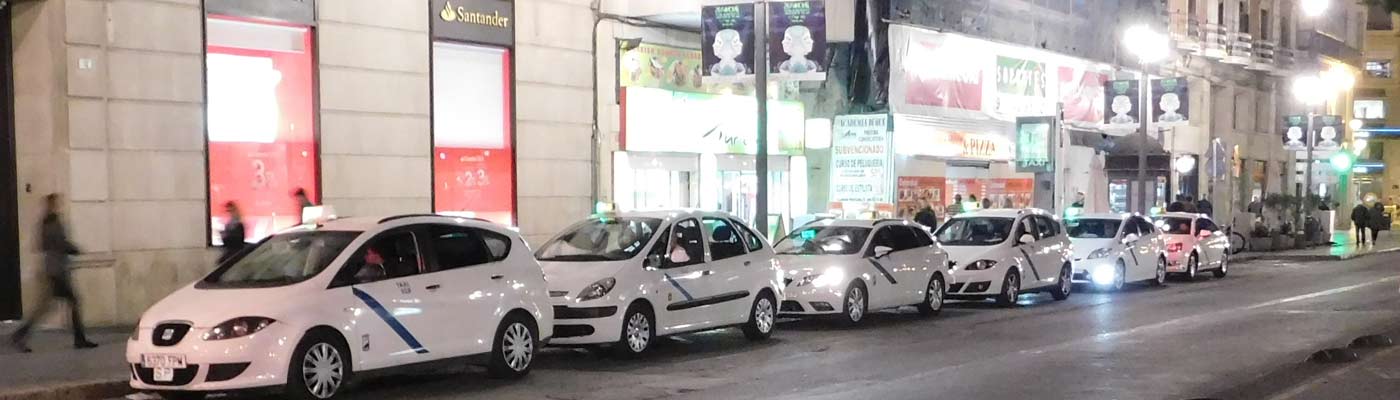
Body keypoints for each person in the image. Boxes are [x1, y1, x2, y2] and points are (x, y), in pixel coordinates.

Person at [10, 194, 97, 352]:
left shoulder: (45, 222)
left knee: (48, 307)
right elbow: (61, 242)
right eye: (56, 203)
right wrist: (74, 249)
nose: (59, 205)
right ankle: (79, 339)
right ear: (52, 204)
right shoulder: (53, 221)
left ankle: (20, 335)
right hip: (57, 271)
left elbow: (41, 244)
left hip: (52, 269)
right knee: (71, 302)